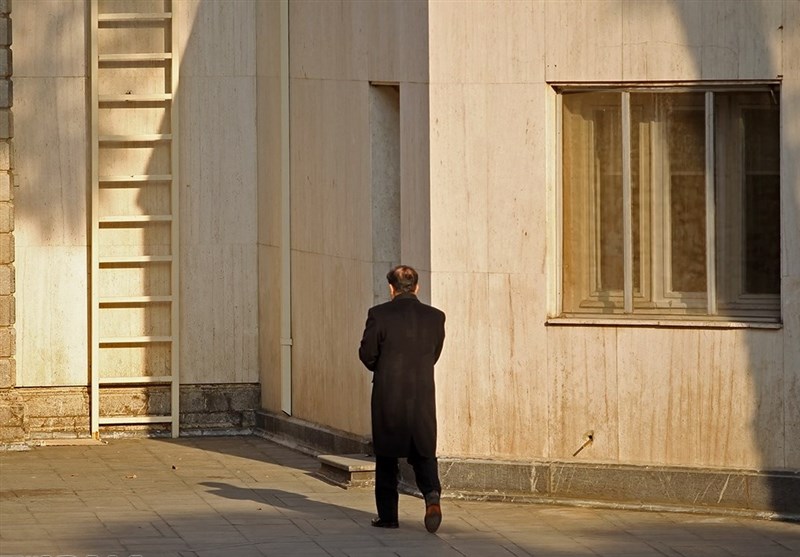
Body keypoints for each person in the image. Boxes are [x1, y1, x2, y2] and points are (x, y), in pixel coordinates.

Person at [358, 265, 446, 533]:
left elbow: (367, 354)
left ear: (391, 288)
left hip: (389, 393)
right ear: (417, 287)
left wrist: (384, 368)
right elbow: (434, 353)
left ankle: (388, 516)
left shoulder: (379, 315)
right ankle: (431, 495)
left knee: (386, 456)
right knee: (423, 450)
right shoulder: (435, 317)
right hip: (422, 393)